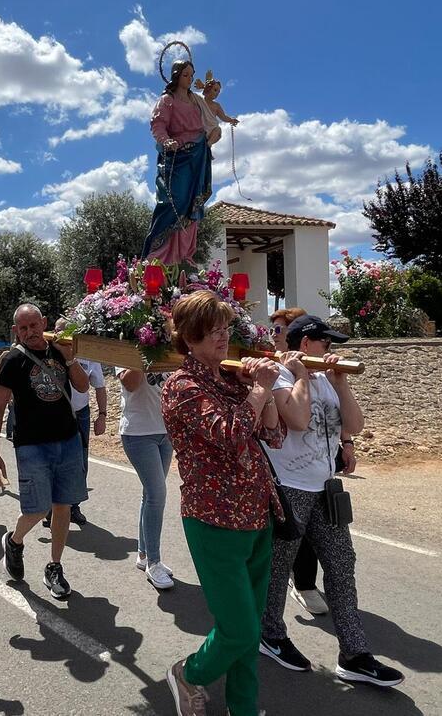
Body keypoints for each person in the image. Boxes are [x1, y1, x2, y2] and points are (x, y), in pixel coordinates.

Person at [258, 315, 403, 688]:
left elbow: (353, 426)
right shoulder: (280, 374)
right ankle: (270, 634)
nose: (331, 350)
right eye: (326, 343)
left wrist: (340, 383)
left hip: (324, 487)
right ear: (306, 344)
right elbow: (299, 420)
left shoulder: (326, 378)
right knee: (279, 566)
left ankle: (354, 653)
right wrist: (303, 376)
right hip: (289, 486)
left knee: (342, 563)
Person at [160, 290, 285, 716]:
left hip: (257, 512)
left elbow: (274, 435)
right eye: (212, 330)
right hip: (214, 519)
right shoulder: (183, 385)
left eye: (225, 327)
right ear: (189, 338)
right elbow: (230, 434)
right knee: (238, 629)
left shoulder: (232, 379)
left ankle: (244, 708)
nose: (222, 336)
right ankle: (189, 673)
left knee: (248, 631)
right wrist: (259, 390)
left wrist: (260, 392)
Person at [0, 303, 90, 600]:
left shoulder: (61, 351)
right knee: (36, 508)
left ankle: (54, 566)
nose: (30, 332)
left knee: (63, 506)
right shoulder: (12, 361)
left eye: (34, 325)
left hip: (68, 440)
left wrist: (71, 359)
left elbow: (82, 387)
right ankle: (15, 540)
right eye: (23, 328)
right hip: (31, 445)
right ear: (15, 331)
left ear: (43, 322)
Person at [269, 306, 328, 616]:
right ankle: (272, 621)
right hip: (286, 472)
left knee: (315, 538)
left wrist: (346, 443)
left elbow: (337, 416)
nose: (274, 335)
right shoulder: (269, 367)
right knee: (289, 536)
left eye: (280, 330)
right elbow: (297, 419)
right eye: (274, 330)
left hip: (321, 466)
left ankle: (304, 582)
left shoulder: (320, 371)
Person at [141, 59, 213, 266]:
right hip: (176, 157)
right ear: (175, 76)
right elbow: (158, 125)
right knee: (173, 202)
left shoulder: (196, 101)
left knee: (193, 203)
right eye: (185, 75)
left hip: (198, 154)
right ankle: (159, 257)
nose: (189, 79)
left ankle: (184, 257)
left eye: (191, 75)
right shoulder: (167, 100)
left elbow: (210, 119)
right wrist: (166, 141)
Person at [45, 318, 106, 528]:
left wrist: (103, 415)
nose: (65, 336)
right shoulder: (45, 353)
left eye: (70, 332)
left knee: (80, 461)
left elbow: (99, 386)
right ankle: (51, 507)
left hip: (80, 414)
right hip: (53, 415)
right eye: (61, 331)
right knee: (54, 460)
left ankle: (73, 506)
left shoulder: (88, 354)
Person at [118, 366, 175, 589]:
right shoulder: (127, 347)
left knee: (149, 494)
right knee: (157, 495)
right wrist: (145, 349)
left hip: (165, 433)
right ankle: (154, 562)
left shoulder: (167, 347)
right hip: (138, 433)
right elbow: (130, 383)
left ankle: (143, 554)